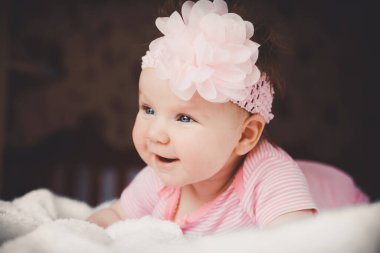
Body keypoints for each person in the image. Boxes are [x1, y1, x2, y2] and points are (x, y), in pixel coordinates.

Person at [87, 0, 368, 234]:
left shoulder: (269, 177)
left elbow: (295, 242)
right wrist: (83, 233)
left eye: (184, 118)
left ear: (245, 136)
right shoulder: (159, 178)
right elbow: (115, 216)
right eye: (148, 110)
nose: (155, 133)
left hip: (350, 211)